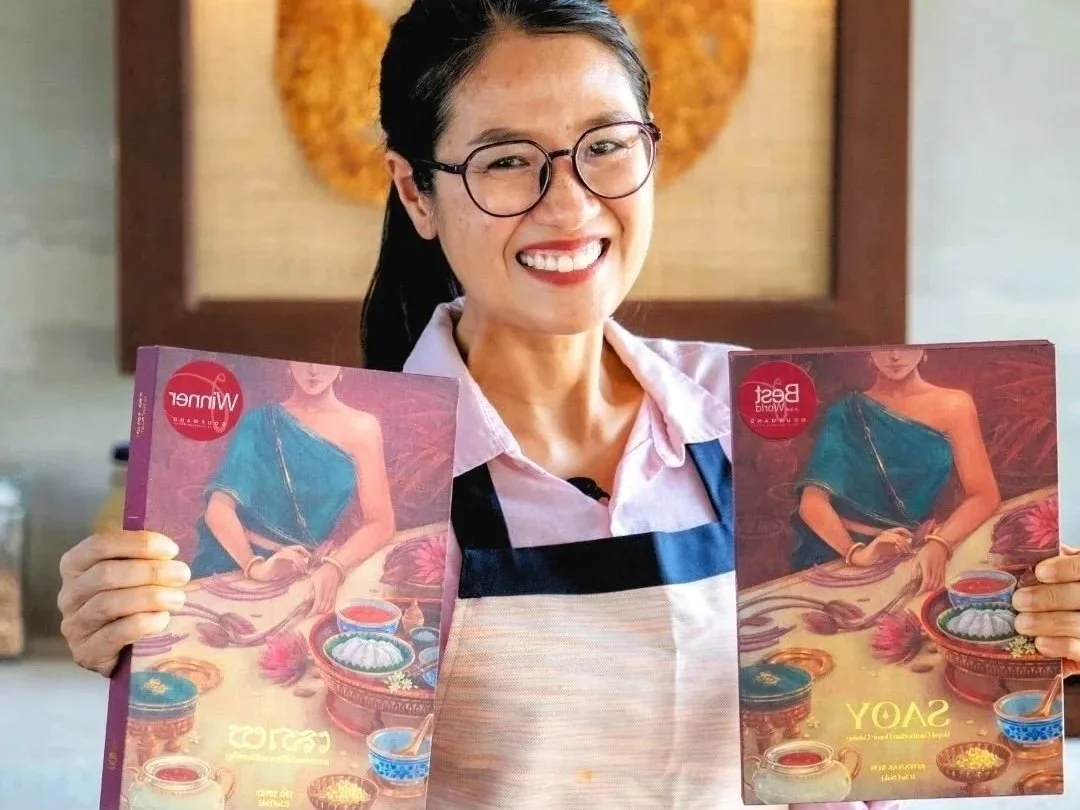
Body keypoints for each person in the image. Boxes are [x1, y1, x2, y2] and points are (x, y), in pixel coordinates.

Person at [56, 2, 1080, 808]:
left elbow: (873, 729)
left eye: (606, 144)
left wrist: (1054, 647)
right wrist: (142, 647)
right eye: (507, 160)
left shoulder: (761, 415)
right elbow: (253, 757)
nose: (572, 203)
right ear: (416, 192)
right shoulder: (366, 450)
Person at [188, 361, 396, 615]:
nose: (313, 370)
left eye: (325, 362)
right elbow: (218, 510)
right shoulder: (259, 423)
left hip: (304, 569)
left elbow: (380, 522)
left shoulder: (363, 427)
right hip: (234, 564)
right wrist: (256, 567)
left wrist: (334, 567)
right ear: (289, 362)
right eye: (305, 360)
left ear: (342, 367)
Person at [792, 348, 1002, 593]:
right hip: (839, 552)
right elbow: (812, 503)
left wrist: (940, 543)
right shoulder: (846, 412)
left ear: (923, 348)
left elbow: (984, 494)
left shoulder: (955, 405)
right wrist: (858, 554)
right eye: (883, 345)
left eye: (906, 345)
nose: (894, 356)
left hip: (916, 549)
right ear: (868, 351)